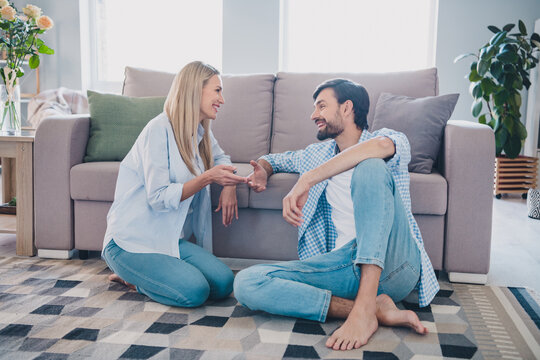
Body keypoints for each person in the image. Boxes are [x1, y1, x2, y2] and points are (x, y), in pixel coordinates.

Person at [234, 79, 440, 351]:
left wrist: (308, 179)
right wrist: (262, 169)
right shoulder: (316, 154)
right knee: (247, 282)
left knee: (370, 168)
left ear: (347, 108)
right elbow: (274, 159)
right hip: (344, 266)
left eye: (321, 106)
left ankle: (365, 305)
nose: (313, 115)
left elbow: (379, 149)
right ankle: (368, 309)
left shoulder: (388, 139)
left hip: (395, 263)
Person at [102, 61, 247, 307]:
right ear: (194, 90)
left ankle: (149, 276)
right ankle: (134, 279)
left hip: (169, 238)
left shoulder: (199, 130)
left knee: (223, 283)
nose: (222, 100)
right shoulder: (158, 130)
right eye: (217, 91)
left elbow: (221, 158)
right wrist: (208, 178)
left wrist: (230, 186)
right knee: (194, 292)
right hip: (132, 242)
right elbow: (158, 197)